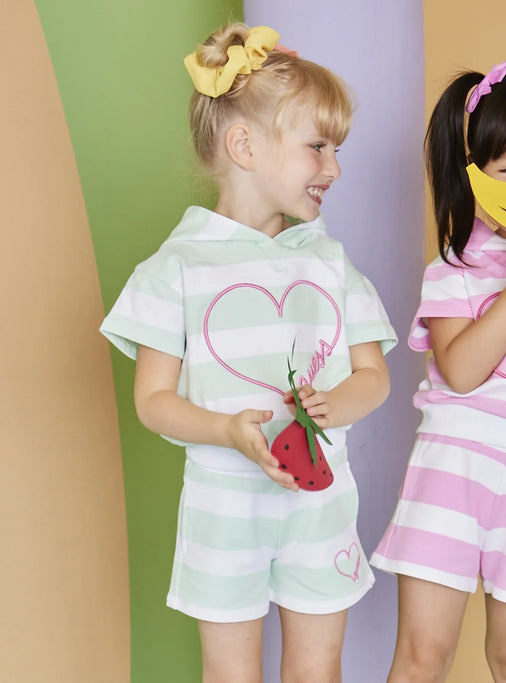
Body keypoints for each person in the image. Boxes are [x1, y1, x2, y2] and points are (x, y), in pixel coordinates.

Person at [101, 22, 396, 682]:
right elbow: (153, 400)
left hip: (320, 505)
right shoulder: (174, 268)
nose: (336, 168)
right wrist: (225, 430)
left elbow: (374, 374)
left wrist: (332, 405)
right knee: (231, 674)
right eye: (318, 146)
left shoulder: (330, 263)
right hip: (222, 508)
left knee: (318, 671)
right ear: (244, 145)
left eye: (338, 149)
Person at [371, 60, 506, 682]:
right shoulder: (454, 270)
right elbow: (459, 370)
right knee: (424, 655)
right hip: (452, 471)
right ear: (477, 177)